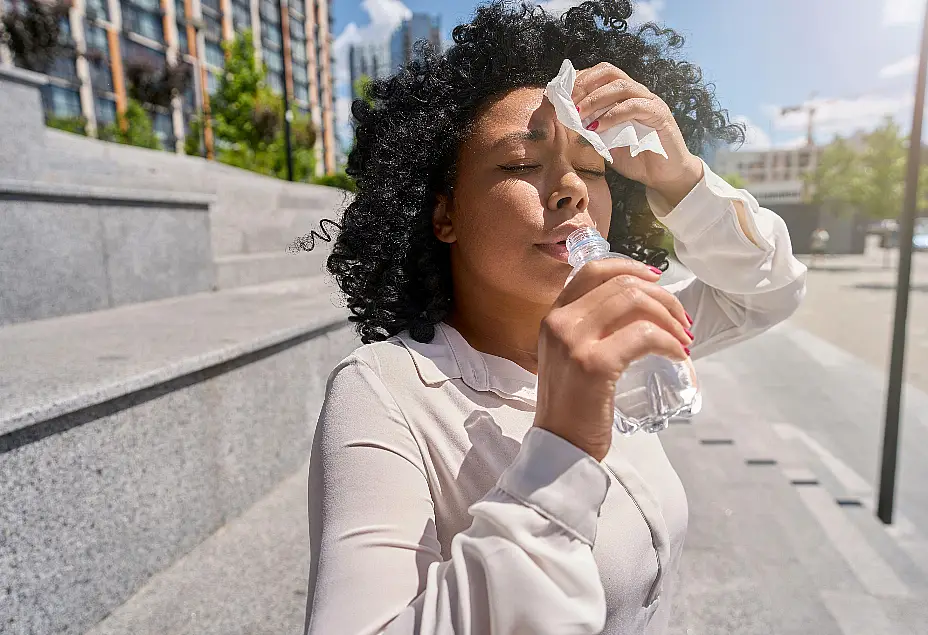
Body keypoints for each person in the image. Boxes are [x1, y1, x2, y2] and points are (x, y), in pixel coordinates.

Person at [304, 2, 806, 633]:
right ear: (444, 215)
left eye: (593, 169)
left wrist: (680, 179)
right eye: (520, 164)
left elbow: (767, 292)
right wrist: (563, 441)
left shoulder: (620, 326)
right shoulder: (384, 390)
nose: (572, 189)